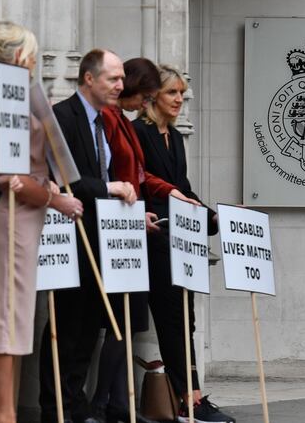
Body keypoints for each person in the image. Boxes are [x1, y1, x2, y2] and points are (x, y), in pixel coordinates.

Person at [0, 19, 84, 423]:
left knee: (15, 321)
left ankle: (5, 412)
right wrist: (55, 198)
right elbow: (8, 178)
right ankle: (1, 414)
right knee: (3, 319)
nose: (35, 61)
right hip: (5, 221)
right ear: (17, 55)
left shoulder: (10, 96)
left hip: (20, 223)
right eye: (31, 53)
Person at [92, 57, 199, 423]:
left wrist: (184, 199)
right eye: (159, 93)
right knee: (119, 324)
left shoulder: (123, 122)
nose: (126, 91)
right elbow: (118, 177)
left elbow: (141, 176)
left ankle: (118, 406)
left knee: (132, 323)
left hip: (139, 226)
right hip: (122, 231)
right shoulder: (117, 122)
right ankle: (103, 406)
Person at [38, 49, 139, 423]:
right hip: (70, 236)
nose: (120, 85)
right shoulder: (63, 116)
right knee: (66, 325)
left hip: (100, 237)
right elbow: (69, 178)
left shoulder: (105, 122)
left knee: (88, 328)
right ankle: (56, 408)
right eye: (113, 78)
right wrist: (111, 188)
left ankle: (75, 404)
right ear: (89, 79)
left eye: (122, 78)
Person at [133, 65, 235, 423]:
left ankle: (192, 396)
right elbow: (143, 185)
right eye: (172, 93)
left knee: (185, 318)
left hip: (183, 239)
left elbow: (184, 190)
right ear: (152, 97)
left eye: (182, 93)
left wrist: (215, 217)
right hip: (155, 236)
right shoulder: (138, 133)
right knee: (173, 319)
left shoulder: (174, 137)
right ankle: (186, 400)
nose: (179, 99)